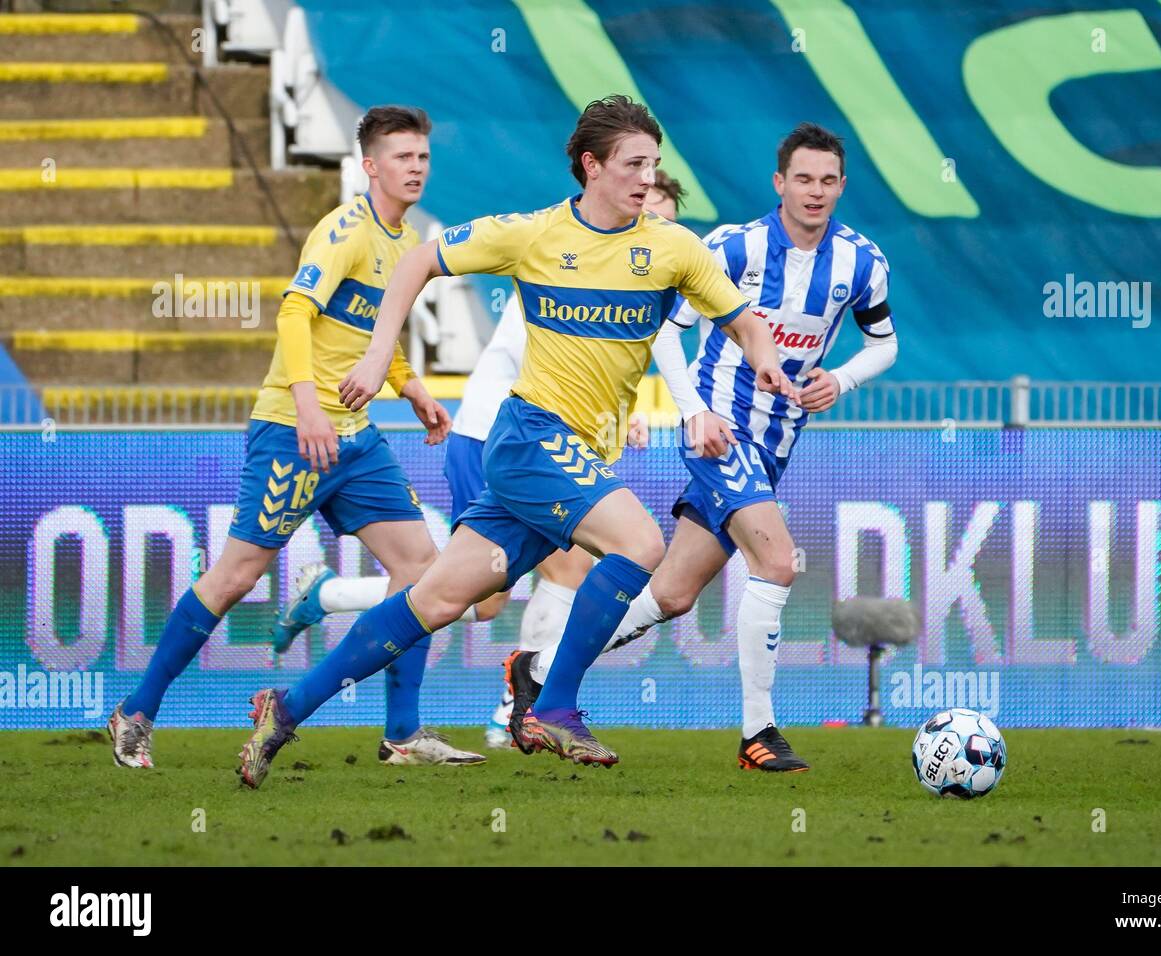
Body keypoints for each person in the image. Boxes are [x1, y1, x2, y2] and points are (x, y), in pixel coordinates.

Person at [235, 94, 797, 787]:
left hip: (572, 456)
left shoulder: (673, 248)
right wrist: (381, 356)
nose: (647, 179)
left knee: (436, 602)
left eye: (653, 163)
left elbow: (743, 320)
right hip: (530, 436)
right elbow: (418, 264)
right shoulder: (532, 234)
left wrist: (765, 358)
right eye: (632, 164)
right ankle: (554, 706)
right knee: (642, 545)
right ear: (591, 166)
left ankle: (284, 709)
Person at [505, 123, 899, 772]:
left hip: (775, 446)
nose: (815, 191)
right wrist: (696, 411)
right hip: (722, 436)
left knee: (672, 595)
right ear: (779, 183)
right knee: (775, 562)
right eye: (802, 178)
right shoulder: (732, 247)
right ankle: (759, 732)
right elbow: (665, 329)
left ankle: (537, 670)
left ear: (842, 186)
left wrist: (842, 376)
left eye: (828, 180)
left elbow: (885, 343)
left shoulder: (862, 262)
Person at [108, 106, 484, 770]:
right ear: (371, 166)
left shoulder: (409, 243)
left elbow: (374, 333)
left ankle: (402, 735)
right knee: (234, 577)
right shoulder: (343, 230)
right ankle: (137, 710)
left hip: (358, 440)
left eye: (423, 157)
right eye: (403, 157)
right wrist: (309, 409)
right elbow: (294, 314)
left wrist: (413, 388)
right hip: (294, 430)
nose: (417, 168)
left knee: (423, 571)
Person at [269, 173, 686, 749]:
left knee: (471, 600)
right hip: (504, 436)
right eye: (648, 211)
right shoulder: (567, 257)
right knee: (577, 568)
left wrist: (623, 412)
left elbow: (615, 360)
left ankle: (322, 625)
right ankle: (527, 706)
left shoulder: (647, 270)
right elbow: (553, 355)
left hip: (542, 443)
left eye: (662, 218)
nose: (652, 229)